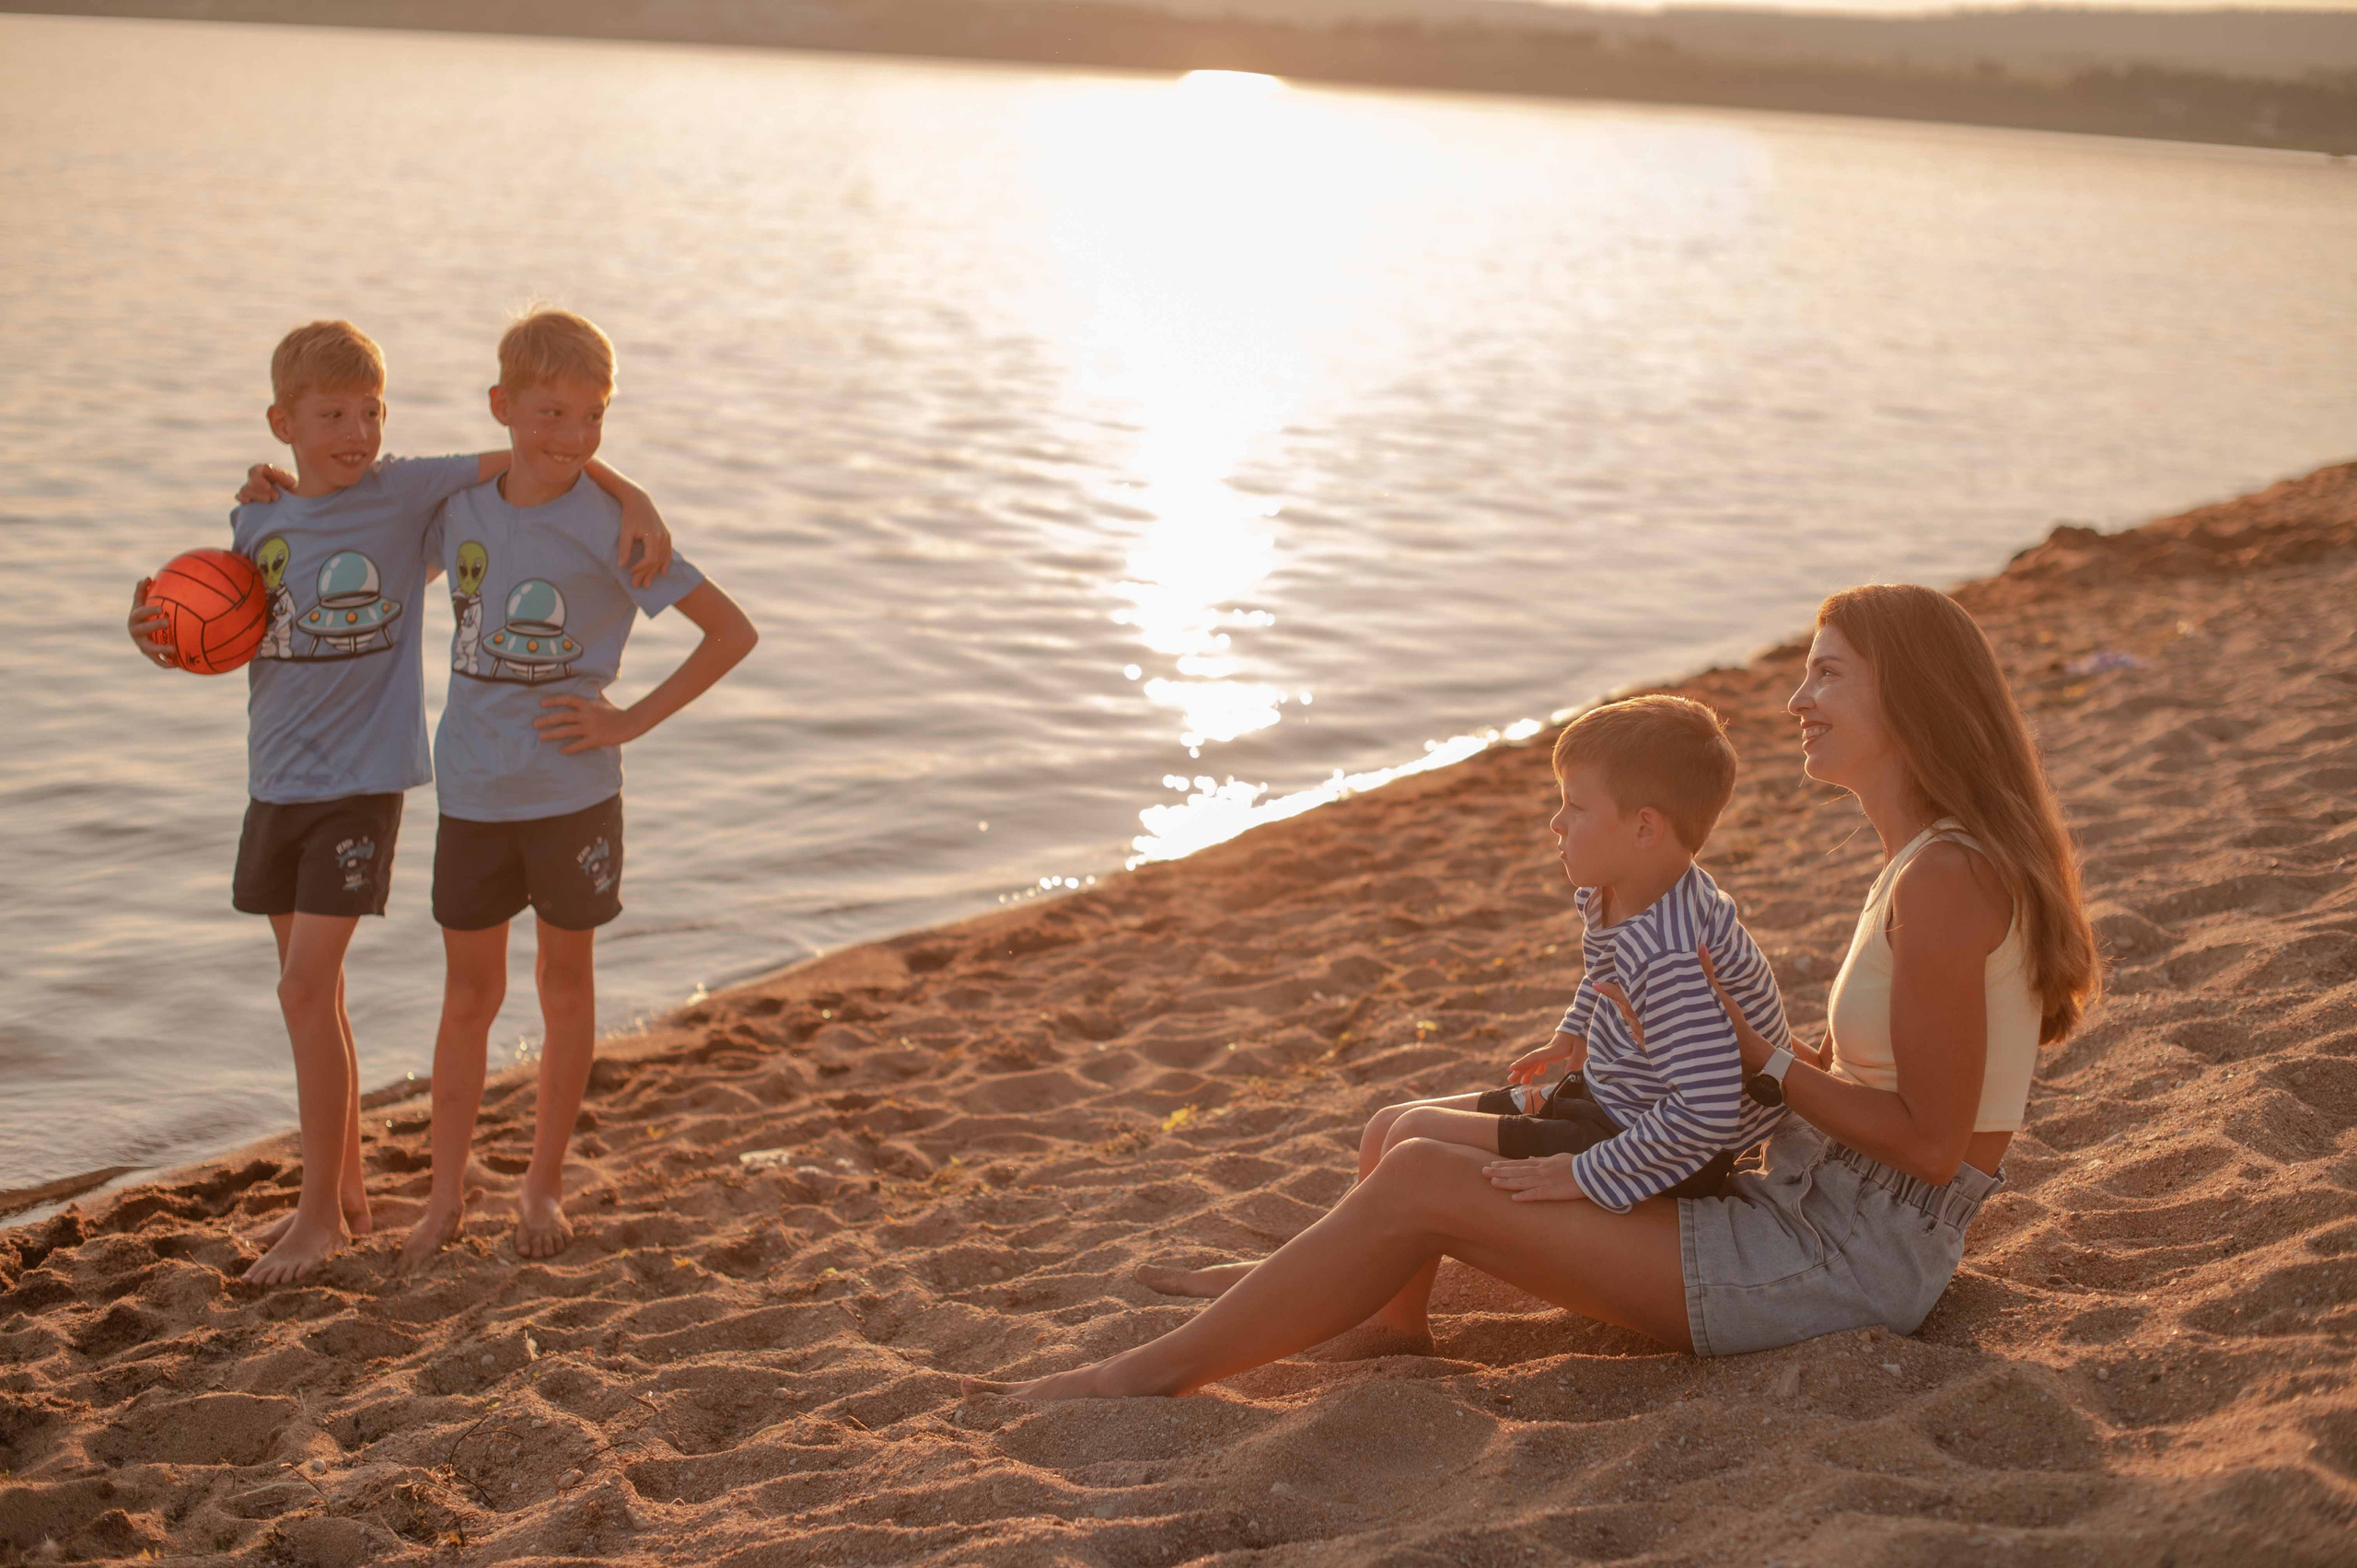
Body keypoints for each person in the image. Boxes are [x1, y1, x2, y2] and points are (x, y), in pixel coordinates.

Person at [978, 583, 2097, 1398]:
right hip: (1805, 1207)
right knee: (1408, 1136)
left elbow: (1931, 1142)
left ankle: (1144, 1373)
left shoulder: (1944, 878)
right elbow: (1878, 1078)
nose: (1797, 697)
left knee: (1422, 1177)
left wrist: (1764, 1060)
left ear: (1908, 696)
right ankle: (1355, 1306)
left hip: (1841, 1260)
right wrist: (1751, 1050)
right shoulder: (1924, 863)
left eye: (1828, 673)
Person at [122, 319, 673, 1285]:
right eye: (333, 415)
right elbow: (226, 629)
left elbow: (537, 452)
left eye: (370, 412)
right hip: (275, 779)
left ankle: (316, 1218)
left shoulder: (410, 490)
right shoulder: (257, 521)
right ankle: (345, 1193)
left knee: (303, 988)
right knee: (312, 993)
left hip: (364, 781)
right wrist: (162, 635)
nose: (357, 432)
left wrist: (636, 494)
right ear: (282, 422)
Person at [1138, 696, 1791, 1331]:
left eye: (1575, 806)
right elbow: (1604, 970)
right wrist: (1573, 1032)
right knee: (1385, 1125)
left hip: (1648, 1146)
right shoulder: (1620, 890)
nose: (1556, 822)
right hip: (1612, 1098)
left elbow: (1706, 1115)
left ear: (1645, 827)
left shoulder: (1671, 956)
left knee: (1414, 1131)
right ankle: (1389, 1313)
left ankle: (1354, 1298)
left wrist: (1582, 1173)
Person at [396, 308, 758, 1273]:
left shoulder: (614, 526)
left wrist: (629, 721)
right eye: (550, 412)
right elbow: (365, 521)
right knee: (469, 996)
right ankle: (443, 1193)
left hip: (573, 796)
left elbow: (731, 631)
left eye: (592, 416)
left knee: (565, 986)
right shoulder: (457, 510)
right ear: (501, 405)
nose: (572, 435)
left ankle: (542, 1181)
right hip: (472, 791)